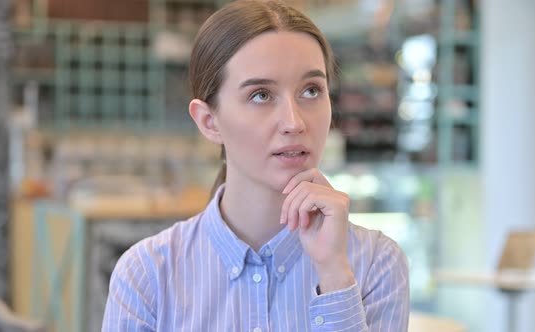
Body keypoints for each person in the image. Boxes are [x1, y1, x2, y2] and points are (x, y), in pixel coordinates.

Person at [102, 0, 409, 331]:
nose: (294, 122)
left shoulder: (376, 263)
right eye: (261, 95)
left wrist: (334, 274)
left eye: (311, 90)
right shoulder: (147, 275)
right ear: (209, 121)